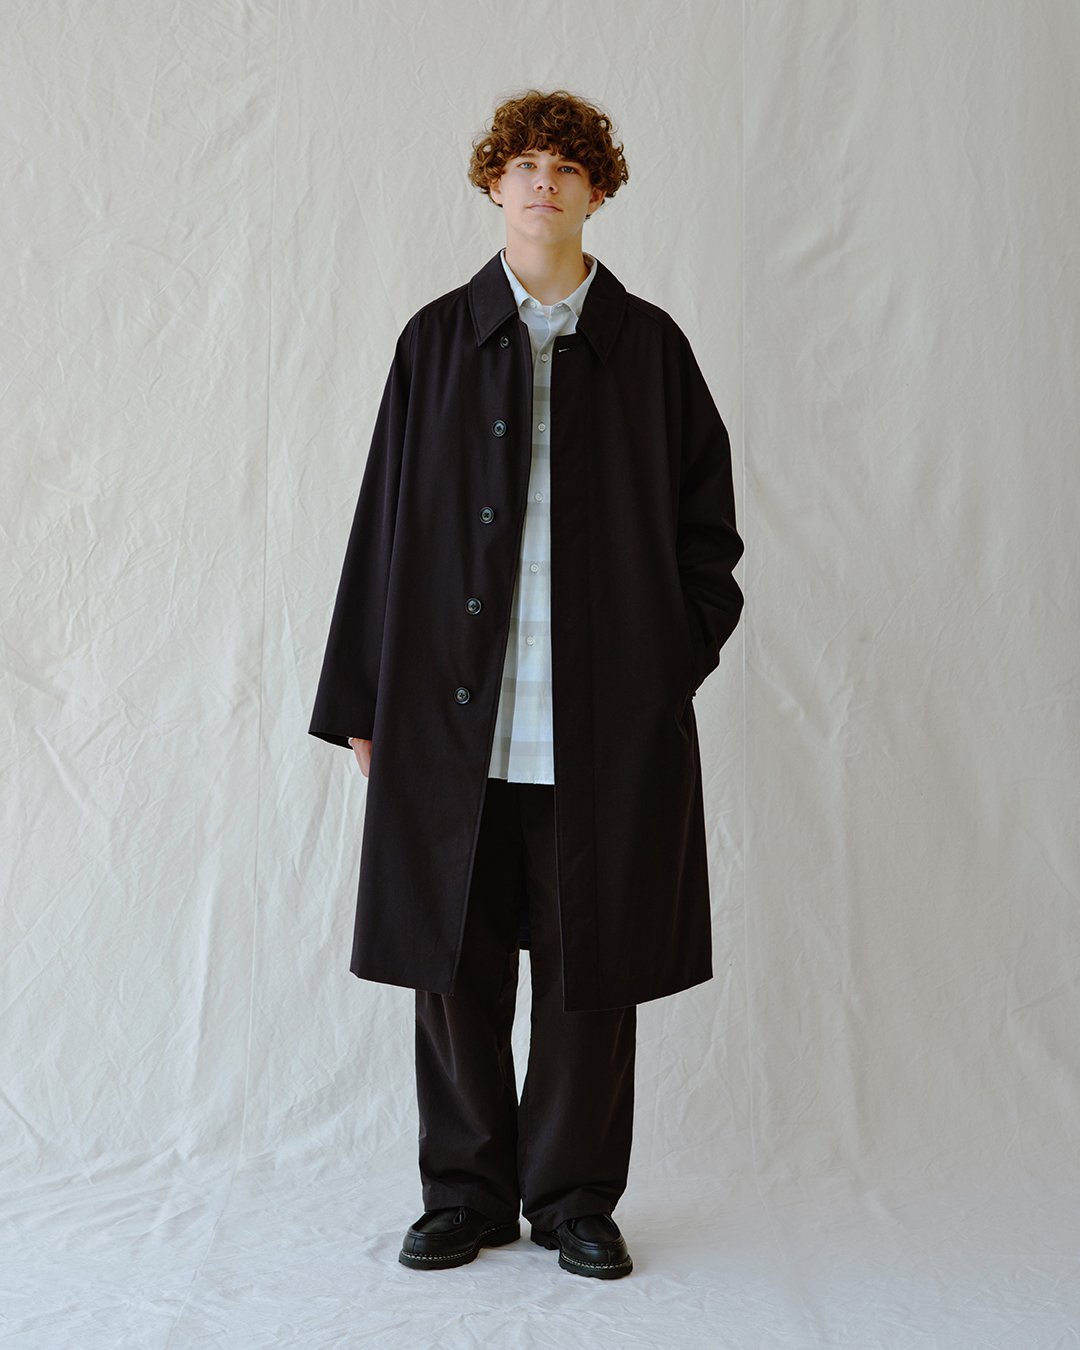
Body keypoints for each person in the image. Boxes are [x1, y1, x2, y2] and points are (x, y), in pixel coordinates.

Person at [308, 88, 744, 1280]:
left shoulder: (650, 349)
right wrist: (362, 702)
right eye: (524, 164)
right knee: (453, 961)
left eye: (567, 165)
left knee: (591, 968)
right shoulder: (435, 343)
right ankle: (463, 1194)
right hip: (454, 720)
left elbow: (710, 540)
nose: (543, 181)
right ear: (494, 186)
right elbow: (382, 528)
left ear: (597, 190)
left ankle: (573, 1200)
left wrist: (664, 669)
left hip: (603, 728)